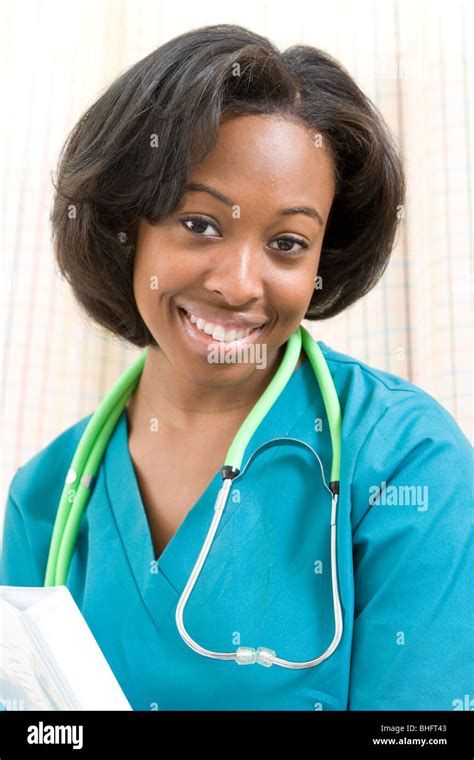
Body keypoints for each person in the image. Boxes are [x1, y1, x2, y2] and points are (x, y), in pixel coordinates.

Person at [1, 24, 472, 712]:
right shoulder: (44, 500)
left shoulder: (408, 461)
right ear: (130, 227)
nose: (240, 283)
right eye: (200, 224)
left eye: (287, 242)